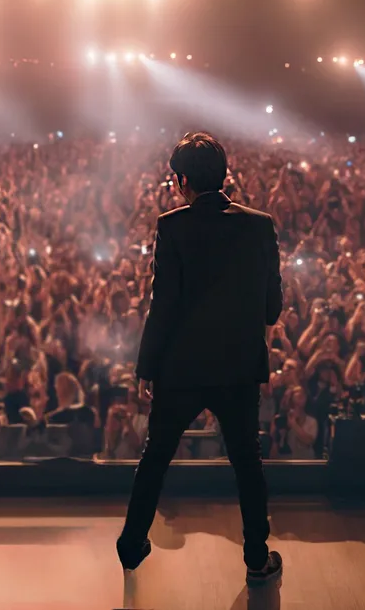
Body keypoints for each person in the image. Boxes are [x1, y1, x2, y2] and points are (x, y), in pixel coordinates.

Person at [118, 132, 284, 586]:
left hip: (180, 369)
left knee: (155, 459)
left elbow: (164, 305)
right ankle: (256, 557)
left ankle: (131, 548)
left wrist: (147, 367)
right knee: (247, 463)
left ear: (182, 180)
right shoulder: (259, 224)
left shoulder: (172, 226)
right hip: (237, 369)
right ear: (224, 175)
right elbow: (272, 308)